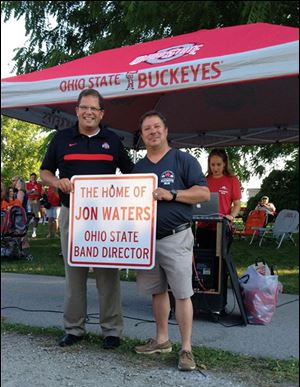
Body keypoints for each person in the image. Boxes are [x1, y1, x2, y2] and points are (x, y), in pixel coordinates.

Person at [40, 88, 134, 349]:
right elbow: (44, 171)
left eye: (94, 108)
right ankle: (73, 329)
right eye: (85, 107)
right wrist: (57, 182)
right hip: (73, 214)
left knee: (108, 275)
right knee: (74, 274)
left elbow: (132, 174)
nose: (89, 112)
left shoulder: (113, 140)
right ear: (77, 110)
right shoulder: (61, 139)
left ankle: (112, 331)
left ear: (101, 113)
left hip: (105, 218)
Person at [133, 110, 210, 371]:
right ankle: (162, 340)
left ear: (166, 131)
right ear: (142, 136)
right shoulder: (139, 168)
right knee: (157, 291)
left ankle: (186, 348)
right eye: (147, 129)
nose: (152, 131)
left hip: (176, 237)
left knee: (182, 294)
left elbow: (203, 192)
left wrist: (173, 194)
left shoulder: (183, 160)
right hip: (147, 240)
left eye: (157, 127)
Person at [206, 148, 242, 221]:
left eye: (219, 164)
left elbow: (237, 204)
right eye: (212, 164)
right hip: (204, 225)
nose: (215, 168)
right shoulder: (204, 180)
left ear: (224, 164)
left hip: (223, 224)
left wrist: (231, 216)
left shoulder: (232, 180)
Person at [26, 173, 43, 238]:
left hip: (36, 201)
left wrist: (31, 192)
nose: (33, 178)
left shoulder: (39, 185)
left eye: (34, 177)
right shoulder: (27, 184)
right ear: (30, 177)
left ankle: (34, 231)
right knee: (28, 216)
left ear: (36, 178)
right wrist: (33, 191)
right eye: (31, 177)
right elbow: (27, 192)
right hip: (29, 201)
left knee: (37, 217)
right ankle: (25, 231)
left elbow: (38, 193)